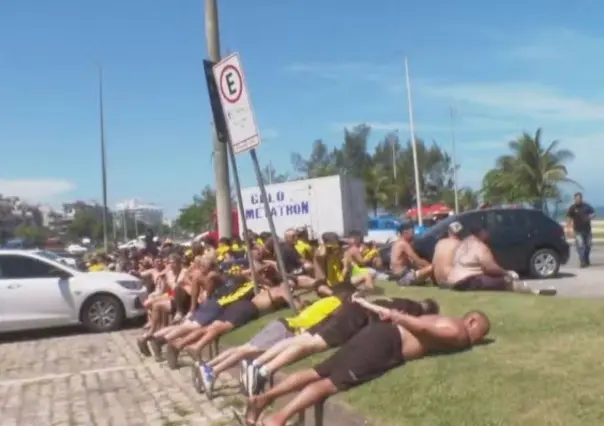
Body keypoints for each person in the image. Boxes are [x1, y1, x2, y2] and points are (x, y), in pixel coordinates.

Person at [243, 298, 491, 426]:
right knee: (330, 384)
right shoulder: (459, 331)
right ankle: (279, 419)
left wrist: (395, 318)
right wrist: (398, 317)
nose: (477, 338)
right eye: (481, 331)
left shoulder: (445, 319)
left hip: (378, 334)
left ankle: (264, 398)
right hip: (385, 344)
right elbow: (422, 327)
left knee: (318, 371)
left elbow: (425, 325)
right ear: (471, 321)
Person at [245, 294, 439, 396]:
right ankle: (265, 371)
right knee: (312, 345)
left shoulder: (400, 299)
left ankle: (258, 364)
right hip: (356, 317)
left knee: (302, 339)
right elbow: (385, 313)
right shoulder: (412, 309)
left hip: (347, 309)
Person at [195, 293, 348, 398]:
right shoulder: (337, 306)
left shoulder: (328, 300)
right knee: (247, 350)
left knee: (245, 348)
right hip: (289, 329)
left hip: (284, 323)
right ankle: (212, 371)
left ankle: (208, 366)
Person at [446, 225, 556, 295]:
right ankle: (532, 292)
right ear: (482, 232)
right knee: (506, 280)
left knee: (495, 279)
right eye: (487, 231)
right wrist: (507, 273)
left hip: (453, 281)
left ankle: (529, 289)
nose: (489, 234)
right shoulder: (480, 246)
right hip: (468, 281)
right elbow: (490, 268)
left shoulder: (464, 243)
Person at [566, 192, 596, 267]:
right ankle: (582, 261)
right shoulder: (572, 208)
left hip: (587, 230)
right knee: (580, 245)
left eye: (579, 198)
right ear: (574, 199)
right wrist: (568, 228)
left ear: (581, 199)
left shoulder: (586, 206)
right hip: (577, 230)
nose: (578, 200)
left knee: (588, 246)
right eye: (576, 198)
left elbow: (594, 213)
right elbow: (569, 217)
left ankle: (586, 258)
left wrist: (590, 217)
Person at [432, 221, 464, 286]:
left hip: (439, 281)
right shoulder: (460, 244)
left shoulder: (439, 243)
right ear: (461, 233)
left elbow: (433, 264)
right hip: (451, 281)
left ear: (449, 231)